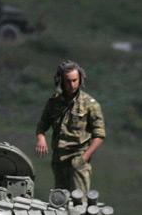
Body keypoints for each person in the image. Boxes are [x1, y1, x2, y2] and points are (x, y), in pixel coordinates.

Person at [35, 60, 105, 193]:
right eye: (68, 81)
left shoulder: (90, 104)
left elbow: (99, 134)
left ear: (80, 80)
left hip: (78, 156)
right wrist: (41, 138)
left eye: (74, 80)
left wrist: (84, 158)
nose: (72, 85)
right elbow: (42, 125)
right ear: (61, 80)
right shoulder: (54, 102)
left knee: (79, 199)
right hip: (59, 158)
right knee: (59, 198)